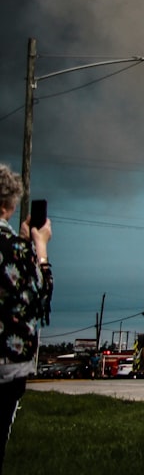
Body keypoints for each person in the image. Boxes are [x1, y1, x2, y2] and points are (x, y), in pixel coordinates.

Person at [0, 163, 53, 473]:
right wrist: (39, 248)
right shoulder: (18, 250)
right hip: (7, 361)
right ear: (10, 204)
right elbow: (40, 293)